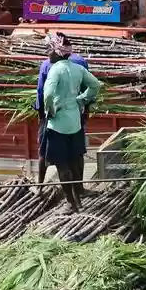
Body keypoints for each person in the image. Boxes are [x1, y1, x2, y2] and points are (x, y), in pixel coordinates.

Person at [41, 33, 102, 211]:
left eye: (49, 50)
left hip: (58, 125)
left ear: (56, 52)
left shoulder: (55, 69)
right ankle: (79, 198)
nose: (47, 53)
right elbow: (96, 85)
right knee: (75, 162)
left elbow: (48, 94)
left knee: (62, 165)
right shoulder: (77, 68)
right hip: (75, 121)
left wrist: (49, 110)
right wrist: (82, 99)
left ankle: (70, 203)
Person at [36, 32, 89, 186]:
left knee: (45, 150)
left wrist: (43, 116)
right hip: (76, 114)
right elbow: (88, 88)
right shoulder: (80, 61)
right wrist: (86, 111)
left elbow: (42, 92)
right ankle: (79, 187)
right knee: (77, 152)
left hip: (55, 116)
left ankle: (40, 186)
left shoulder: (47, 64)